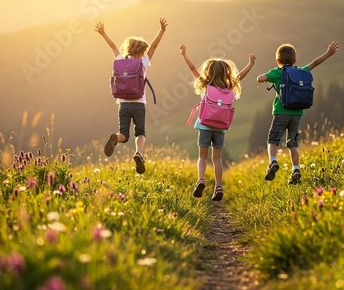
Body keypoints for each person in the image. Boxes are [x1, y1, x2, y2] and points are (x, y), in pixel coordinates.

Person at [180, 44, 256, 201]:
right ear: (226, 72)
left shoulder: (206, 86)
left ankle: (201, 180)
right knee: (217, 158)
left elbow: (193, 69)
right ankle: (218, 186)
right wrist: (250, 64)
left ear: (209, 71)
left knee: (202, 157)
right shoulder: (229, 88)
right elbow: (240, 76)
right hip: (220, 127)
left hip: (204, 125)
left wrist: (184, 54)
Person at [257, 41, 339, 184]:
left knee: (273, 140)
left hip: (281, 113)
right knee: (293, 143)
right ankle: (295, 169)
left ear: (278, 61)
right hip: (297, 114)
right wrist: (328, 53)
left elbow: (260, 79)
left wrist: (269, 78)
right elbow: (315, 63)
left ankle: (273, 162)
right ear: (295, 61)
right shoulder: (301, 71)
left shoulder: (277, 72)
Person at [95, 18, 167, 173]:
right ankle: (138, 153)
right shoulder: (143, 62)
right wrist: (161, 30)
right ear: (142, 50)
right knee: (140, 132)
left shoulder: (120, 59)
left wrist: (103, 33)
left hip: (123, 104)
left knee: (124, 134)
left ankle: (116, 137)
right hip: (139, 103)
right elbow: (154, 46)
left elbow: (113, 45)